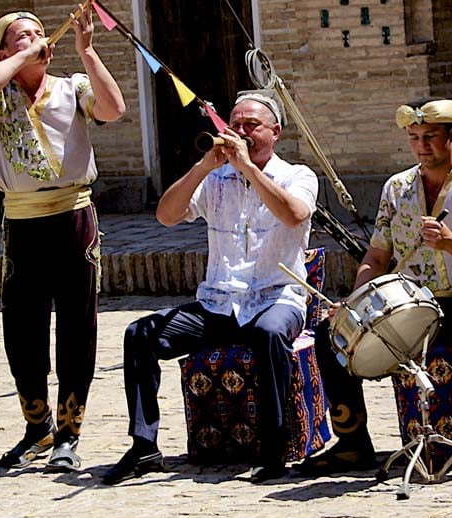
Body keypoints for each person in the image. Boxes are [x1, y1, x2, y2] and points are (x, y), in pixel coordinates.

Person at [304, 97, 452, 481]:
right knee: (331, 333)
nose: (422, 146)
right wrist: (354, 302)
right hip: (410, 304)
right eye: (414, 138)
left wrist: (450, 243)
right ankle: (352, 441)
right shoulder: (397, 188)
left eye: (430, 137)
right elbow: (376, 257)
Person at [102, 90, 318, 485]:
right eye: (234, 124)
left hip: (276, 296)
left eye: (251, 125)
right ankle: (143, 445)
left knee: (270, 335)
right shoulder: (215, 179)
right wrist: (203, 167)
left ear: (276, 132)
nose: (241, 131)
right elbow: (166, 216)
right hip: (219, 302)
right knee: (139, 335)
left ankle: (273, 447)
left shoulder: (298, 175)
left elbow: (293, 215)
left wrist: (249, 169)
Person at [0, 6, 126, 472]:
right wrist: (22, 59)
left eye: (39, 32)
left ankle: (69, 433)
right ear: (3, 51)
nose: (36, 39)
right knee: (23, 326)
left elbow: (113, 109)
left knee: (77, 325)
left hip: (73, 216)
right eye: (22, 36)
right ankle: (37, 427)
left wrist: (87, 50)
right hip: (23, 222)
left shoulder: (70, 87)